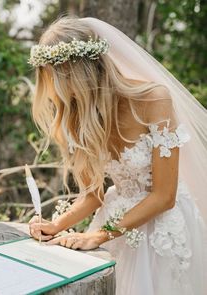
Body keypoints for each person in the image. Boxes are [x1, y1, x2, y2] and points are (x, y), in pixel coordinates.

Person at [28, 15, 207, 295]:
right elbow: (93, 194)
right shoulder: (79, 114)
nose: (58, 95)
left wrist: (98, 235)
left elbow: (164, 196)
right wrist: (55, 225)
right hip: (113, 223)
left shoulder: (153, 100)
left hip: (160, 230)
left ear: (80, 71)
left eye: (58, 81)